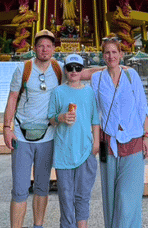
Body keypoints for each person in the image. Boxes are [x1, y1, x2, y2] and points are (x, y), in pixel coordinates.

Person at [3, 29, 63, 228]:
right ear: (34, 48)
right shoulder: (23, 69)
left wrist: (114, 66)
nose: (44, 49)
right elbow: (12, 97)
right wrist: (6, 127)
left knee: (42, 186)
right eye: (41, 46)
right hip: (21, 134)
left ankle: (39, 225)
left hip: (48, 135)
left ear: (54, 48)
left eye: (48, 46)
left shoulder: (59, 69)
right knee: (19, 188)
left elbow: (83, 73)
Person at [92, 35, 148, 228]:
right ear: (103, 56)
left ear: (121, 54)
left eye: (114, 52)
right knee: (109, 197)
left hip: (133, 140)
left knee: (128, 199)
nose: (111, 56)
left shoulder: (130, 75)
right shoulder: (97, 78)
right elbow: (93, 111)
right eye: (107, 53)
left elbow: (143, 107)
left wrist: (147, 136)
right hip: (106, 143)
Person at [48, 54, 100, 228]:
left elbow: (95, 120)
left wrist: (96, 144)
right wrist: (60, 117)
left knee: (83, 195)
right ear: (65, 70)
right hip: (64, 151)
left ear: (82, 70)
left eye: (78, 68)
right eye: (70, 68)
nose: (74, 71)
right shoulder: (58, 92)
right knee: (65, 195)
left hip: (85, 150)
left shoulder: (89, 92)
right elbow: (50, 119)